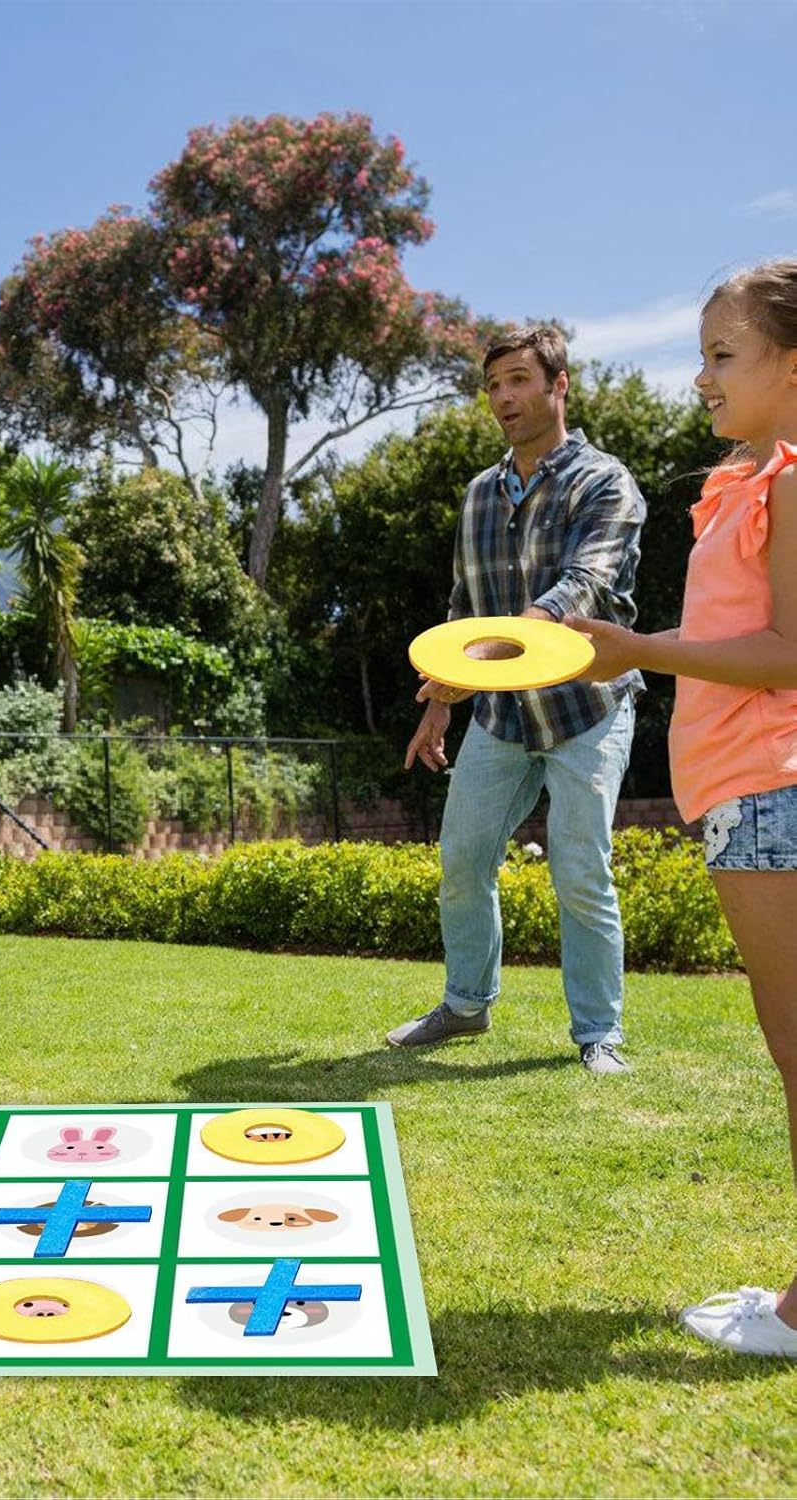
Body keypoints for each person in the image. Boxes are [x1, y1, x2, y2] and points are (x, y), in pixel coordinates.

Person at [567, 261, 797, 1357]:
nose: (702, 377)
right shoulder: (749, 481)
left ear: (792, 364)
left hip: (772, 788)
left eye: (724, 355)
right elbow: (734, 635)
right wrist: (627, 647)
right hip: (750, 792)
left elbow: (788, 653)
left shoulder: (790, 482)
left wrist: (640, 651)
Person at [387, 327, 646, 1074]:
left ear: (559, 386)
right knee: (462, 859)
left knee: (579, 867)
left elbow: (582, 588)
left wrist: (490, 657)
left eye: (520, 380)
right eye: (494, 384)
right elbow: (464, 612)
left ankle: (598, 1033)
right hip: (501, 717)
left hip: (585, 710)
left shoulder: (605, 483)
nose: (504, 397)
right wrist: (441, 702)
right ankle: (466, 1004)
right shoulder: (479, 495)